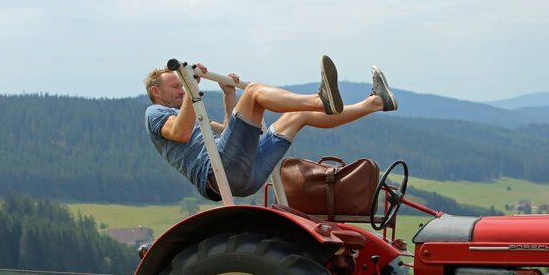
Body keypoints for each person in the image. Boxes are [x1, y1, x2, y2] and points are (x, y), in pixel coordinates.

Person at [144, 55, 398, 201]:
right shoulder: (155, 113)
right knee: (254, 91)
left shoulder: (186, 116)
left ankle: (375, 103)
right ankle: (321, 100)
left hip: (242, 173)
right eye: (175, 86)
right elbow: (181, 132)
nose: (180, 90)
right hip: (218, 174)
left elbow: (231, 130)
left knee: (297, 116)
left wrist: (228, 94)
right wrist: (191, 88)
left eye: (181, 85)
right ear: (156, 91)